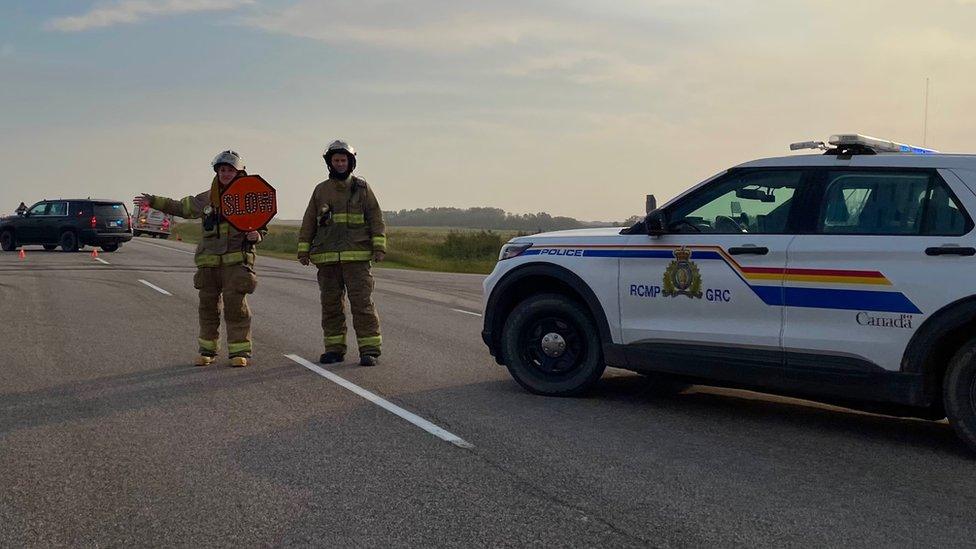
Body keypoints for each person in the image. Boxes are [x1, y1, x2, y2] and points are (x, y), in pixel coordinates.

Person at [140, 150, 263, 367]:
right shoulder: (206, 198)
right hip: (209, 264)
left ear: (239, 173)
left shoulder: (249, 198)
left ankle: (239, 352)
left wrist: (258, 235)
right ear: (217, 172)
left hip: (236, 263)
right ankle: (207, 350)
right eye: (222, 170)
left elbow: (262, 223)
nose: (225, 174)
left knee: (236, 308)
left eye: (230, 170)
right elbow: (180, 207)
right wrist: (153, 201)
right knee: (208, 307)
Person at [297, 140, 386, 366]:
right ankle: (334, 349)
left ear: (350, 162)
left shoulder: (362, 189)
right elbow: (309, 222)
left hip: (356, 260)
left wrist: (379, 247)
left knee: (362, 305)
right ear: (330, 163)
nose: (339, 164)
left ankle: (370, 350)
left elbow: (376, 218)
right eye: (335, 160)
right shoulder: (320, 190)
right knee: (331, 306)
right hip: (327, 260)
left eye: (343, 160)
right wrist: (303, 250)